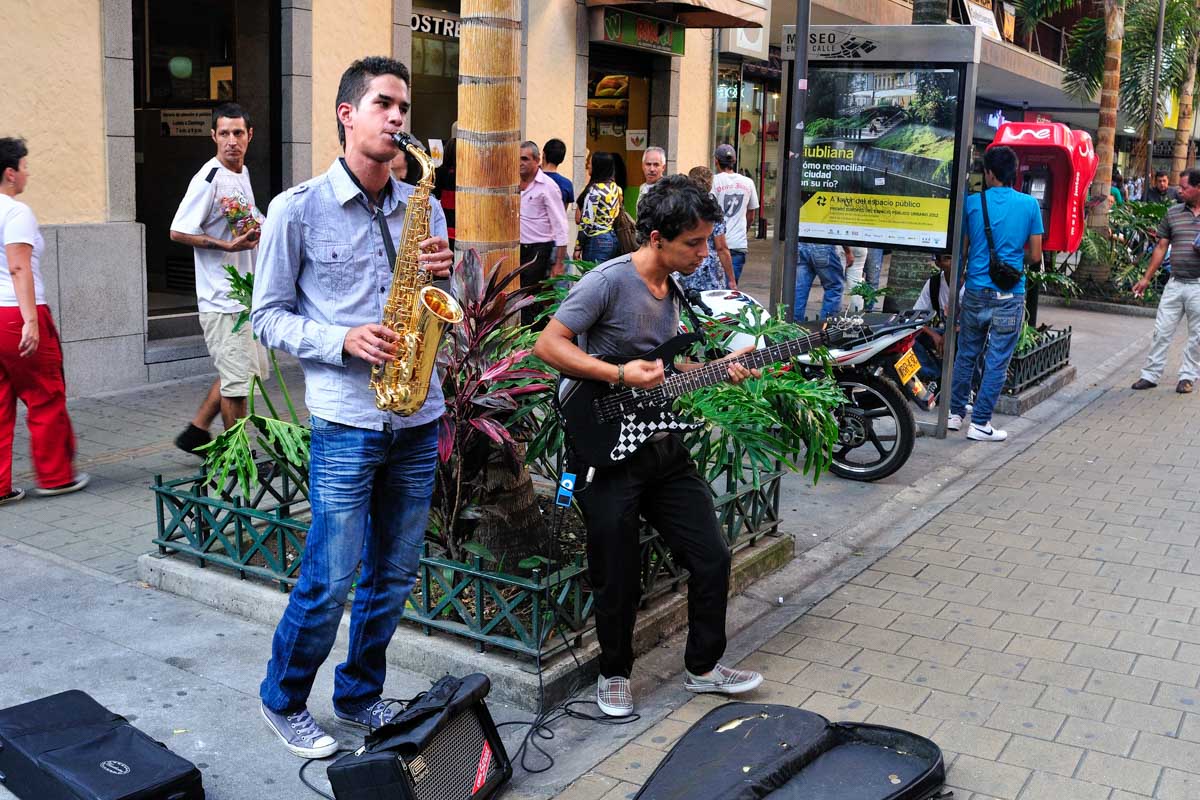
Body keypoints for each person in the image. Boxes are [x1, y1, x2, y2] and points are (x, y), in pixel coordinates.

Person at [251, 55, 454, 759]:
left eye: (404, 108)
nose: (398, 118)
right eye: (385, 104)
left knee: (393, 576)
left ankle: (360, 697)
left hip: (418, 414)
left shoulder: (419, 206)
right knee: (331, 577)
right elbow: (267, 318)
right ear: (347, 114)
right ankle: (282, 698)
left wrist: (448, 273)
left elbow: (440, 306)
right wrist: (341, 338)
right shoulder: (296, 208)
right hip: (347, 420)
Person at [533, 174, 763, 718]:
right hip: (606, 448)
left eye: (708, 241)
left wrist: (716, 371)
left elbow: (666, 365)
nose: (704, 252)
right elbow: (548, 345)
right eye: (694, 243)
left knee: (711, 556)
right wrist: (616, 373)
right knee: (616, 571)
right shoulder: (608, 281)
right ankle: (613, 674)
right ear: (656, 237)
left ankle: (703, 667)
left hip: (662, 445)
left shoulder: (676, 287)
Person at [170, 103, 264, 456]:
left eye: (238, 133)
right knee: (238, 385)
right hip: (222, 299)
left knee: (238, 373)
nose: (231, 141)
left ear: (249, 136)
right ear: (213, 136)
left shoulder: (241, 173)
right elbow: (178, 231)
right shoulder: (207, 178)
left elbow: (250, 219)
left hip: (245, 296)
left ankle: (196, 433)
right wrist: (226, 244)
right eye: (223, 134)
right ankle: (238, 454)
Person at [0, 137, 89, 506]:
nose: (27, 173)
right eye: (24, 166)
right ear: (9, 173)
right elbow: (18, 266)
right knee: (45, 394)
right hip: (16, 312)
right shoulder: (15, 212)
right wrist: (31, 322)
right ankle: (55, 477)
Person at [948, 145, 1043, 442]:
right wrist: (1012, 261)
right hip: (1009, 294)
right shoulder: (1029, 206)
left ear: (989, 173)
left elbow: (962, 251)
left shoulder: (973, 203)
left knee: (966, 354)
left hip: (976, 291)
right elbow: (1037, 255)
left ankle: (953, 414)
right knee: (997, 360)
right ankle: (980, 423)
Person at [1130, 167, 1200, 395]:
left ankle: (1188, 376)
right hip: (1175, 282)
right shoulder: (1173, 212)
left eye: (1184, 187)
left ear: (1198, 188)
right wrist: (1146, 278)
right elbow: (1161, 246)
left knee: (1197, 336)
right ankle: (1150, 375)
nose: (1179, 191)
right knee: (1161, 330)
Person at [518, 141, 570, 327]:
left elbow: (561, 225)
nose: (520, 163)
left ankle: (533, 336)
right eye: (518, 159)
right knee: (518, 295)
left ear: (537, 160)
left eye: (525, 159)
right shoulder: (513, 184)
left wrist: (559, 263)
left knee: (529, 297)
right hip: (518, 249)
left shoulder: (548, 186)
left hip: (539, 250)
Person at [674, 166, 735, 292]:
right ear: (710, 184)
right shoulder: (712, 207)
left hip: (684, 267)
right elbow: (721, 247)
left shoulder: (681, 205)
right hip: (709, 274)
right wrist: (731, 279)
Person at [711, 144, 758, 282]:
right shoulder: (748, 182)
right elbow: (751, 214)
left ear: (716, 161)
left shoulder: (713, 182)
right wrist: (744, 230)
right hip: (738, 244)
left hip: (717, 243)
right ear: (734, 161)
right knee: (731, 288)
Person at [911, 252, 954, 384]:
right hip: (945, 332)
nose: (952, 263)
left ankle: (969, 385)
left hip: (966, 335)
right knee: (909, 337)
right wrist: (934, 335)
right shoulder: (934, 283)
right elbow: (916, 317)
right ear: (938, 263)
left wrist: (949, 334)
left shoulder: (971, 285)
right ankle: (934, 377)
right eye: (947, 258)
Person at [576, 152, 622, 264]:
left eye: (590, 163)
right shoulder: (616, 189)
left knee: (593, 277)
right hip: (612, 238)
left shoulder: (594, 191)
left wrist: (578, 247)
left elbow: (587, 222)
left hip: (596, 240)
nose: (588, 165)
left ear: (598, 167)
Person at [794, 243, 849, 321]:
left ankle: (794, 325)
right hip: (823, 245)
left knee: (800, 289)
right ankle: (827, 325)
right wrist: (848, 251)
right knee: (834, 287)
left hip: (801, 245)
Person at [541, 138, 574, 209]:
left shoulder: (531, 179)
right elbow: (563, 212)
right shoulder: (567, 184)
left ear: (543, 154)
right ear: (562, 159)